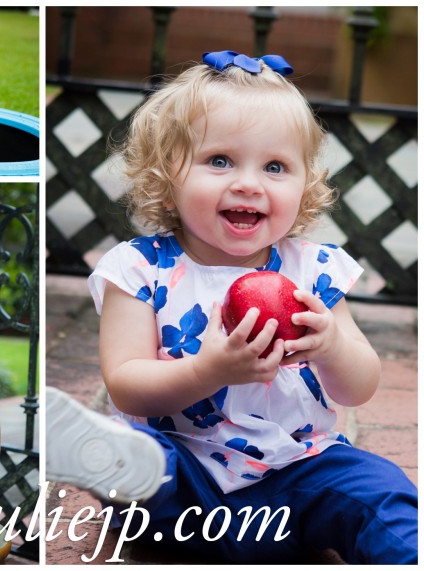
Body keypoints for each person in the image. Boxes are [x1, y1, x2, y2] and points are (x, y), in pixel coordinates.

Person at [47, 51, 417, 563]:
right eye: (219, 161)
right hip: (190, 478)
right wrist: (210, 369)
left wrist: (332, 345)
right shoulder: (138, 270)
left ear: (303, 184)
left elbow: (360, 387)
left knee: (378, 488)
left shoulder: (314, 271)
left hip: (298, 477)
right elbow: (127, 384)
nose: (248, 182)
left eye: (275, 166)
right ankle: (108, 464)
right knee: (147, 466)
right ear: (166, 178)